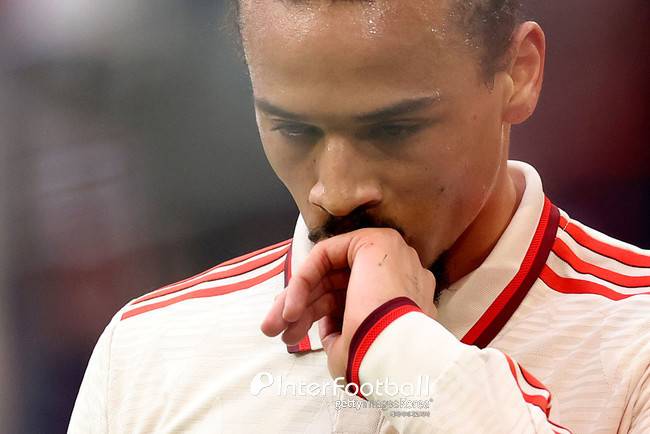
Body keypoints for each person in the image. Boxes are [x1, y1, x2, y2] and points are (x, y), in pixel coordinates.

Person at [68, 1, 650, 433]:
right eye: (293, 129)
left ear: (519, 73)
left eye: (393, 129)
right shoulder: (147, 353)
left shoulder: (636, 341)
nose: (338, 192)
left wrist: (402, 352)